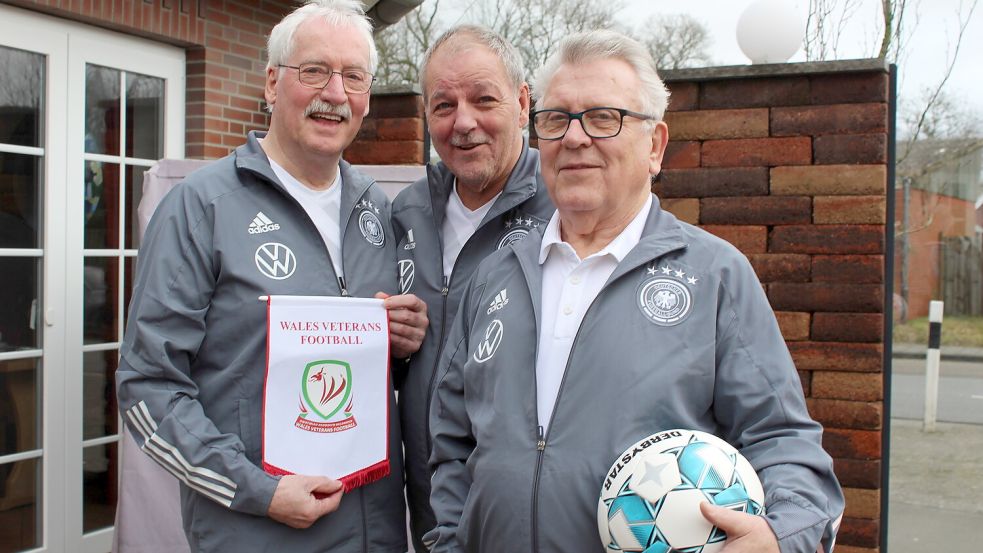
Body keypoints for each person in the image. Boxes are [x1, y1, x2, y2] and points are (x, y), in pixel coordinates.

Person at [426, 30, 844, 553]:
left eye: (605, 117)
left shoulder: (714, 275)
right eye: (557, 119)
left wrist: (779, 537)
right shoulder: (497, 274)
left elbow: (784, 442)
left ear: (655, 145)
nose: (575, 138)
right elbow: (452, 442)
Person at [115, 2, 427, 551]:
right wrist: (257, 490)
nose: (334, 92)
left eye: (353, 76)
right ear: (271, 82)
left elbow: (377, 376)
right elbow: (146, 388)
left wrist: (400, 346)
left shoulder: (379, 210)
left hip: (373, 534)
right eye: (313, 71)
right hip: (256, 533)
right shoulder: (202, 207)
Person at [389, 25, 555, 550]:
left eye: (484, 99)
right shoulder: (406, 212)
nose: (464, 123)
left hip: (529, 504)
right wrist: (383, 339)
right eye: (443, 106)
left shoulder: (563, 209)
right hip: (429, 496)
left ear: (523, 102)